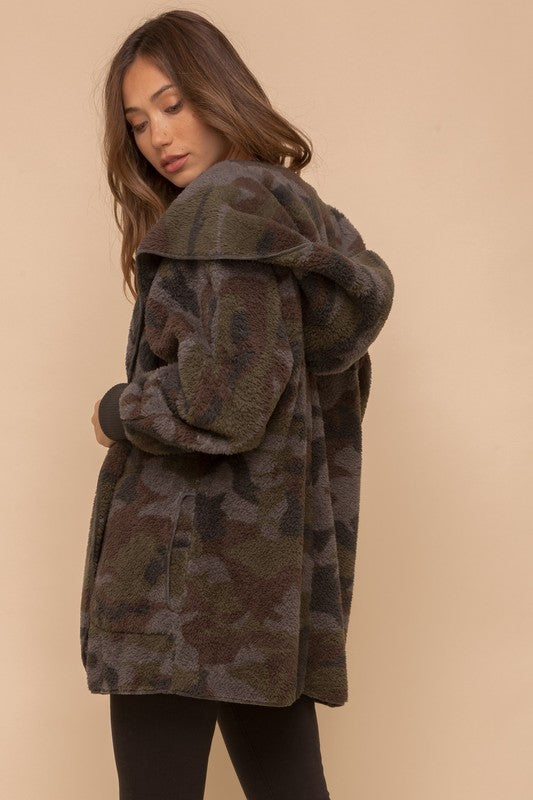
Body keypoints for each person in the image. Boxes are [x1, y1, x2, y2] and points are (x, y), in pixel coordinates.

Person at [80, 9, 394, 800]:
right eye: (138, 121)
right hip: (263, 584)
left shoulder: (221, 209)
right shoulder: (289, 213)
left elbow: (226, 398)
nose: (157, 136)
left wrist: (120, 410)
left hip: (177, 580)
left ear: (219, 92)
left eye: (173, 103)